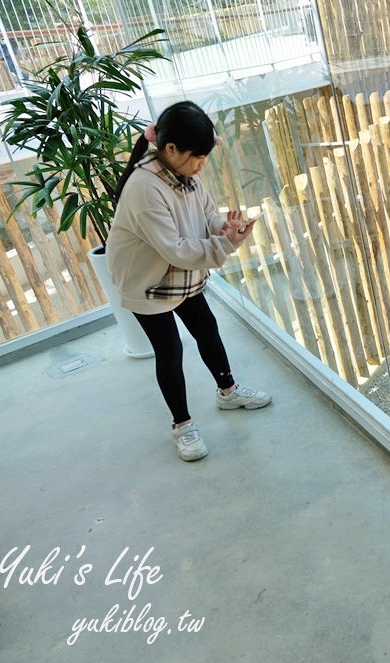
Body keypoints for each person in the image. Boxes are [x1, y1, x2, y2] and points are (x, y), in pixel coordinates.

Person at [107, 101, 272, 462]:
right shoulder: (144, 188)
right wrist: (224, 243)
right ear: (170, 149)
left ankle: (228, 393)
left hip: (177, 274)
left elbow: (206, 214)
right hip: (146, 282)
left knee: (207, 329)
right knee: (169, 350)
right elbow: (177, 250)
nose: (201, 166)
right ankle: (182, 425)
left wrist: (222, 228)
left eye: (204, 157)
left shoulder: (184, 172)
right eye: (196, 157)